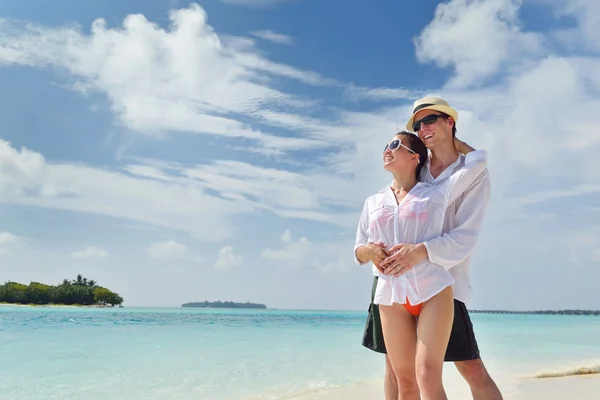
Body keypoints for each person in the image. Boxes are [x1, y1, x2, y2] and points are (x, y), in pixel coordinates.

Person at [360, 96, 503, 400]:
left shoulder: (471, 174)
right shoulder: (418, 170)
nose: (422, 127)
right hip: (395, 284)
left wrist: (420, 251)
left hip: (443, 281)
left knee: (470, 368)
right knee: (396, 372)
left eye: (430, 120)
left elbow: (465, 237)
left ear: (450, 121)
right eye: (418, 124)